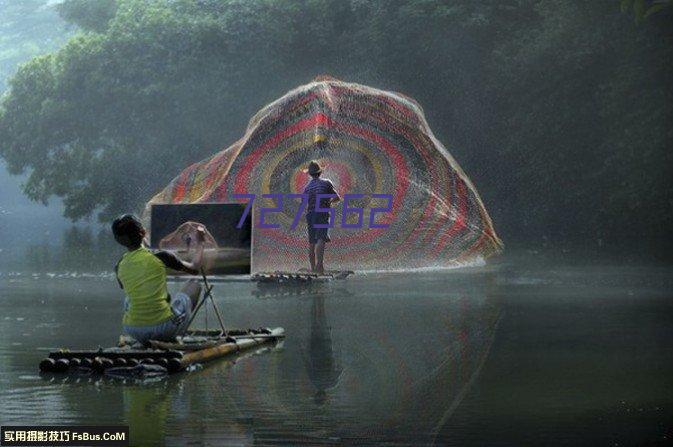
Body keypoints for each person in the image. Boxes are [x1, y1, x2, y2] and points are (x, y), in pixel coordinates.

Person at [112, 215, 205, 344]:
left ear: (118, 240)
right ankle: (171, 332)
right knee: (194, 285)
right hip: (163, 328)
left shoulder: (119, 265)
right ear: (143, 232)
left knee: (131, 296)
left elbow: (127, 284)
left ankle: (147, 334)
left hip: (133, 329)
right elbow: (195, 268)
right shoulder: (161, 257)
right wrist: (200, 241)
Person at [302, 160, 341, 274]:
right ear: (320, 172)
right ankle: (320, 267)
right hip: (322, 213)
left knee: (312, 242)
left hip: (310, 214)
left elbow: (304, 202)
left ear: (310, 174)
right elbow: (337, 197)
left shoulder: (307, 187)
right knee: (321, 239)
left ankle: (313, 268)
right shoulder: (326, 183)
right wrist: (329, 202)